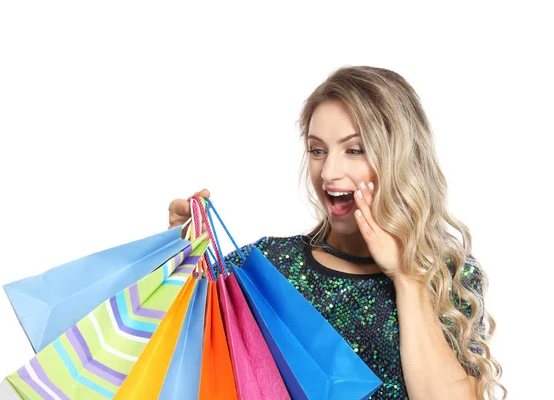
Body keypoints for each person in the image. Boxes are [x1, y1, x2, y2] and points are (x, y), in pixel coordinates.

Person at [168, 66, 505, 400]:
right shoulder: (266, 266)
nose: (328, 172)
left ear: (399, 157)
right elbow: (172, 348)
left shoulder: (447, 276)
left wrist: (407, 276)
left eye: (354, 150)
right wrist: (176, 252)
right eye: (317, 150)